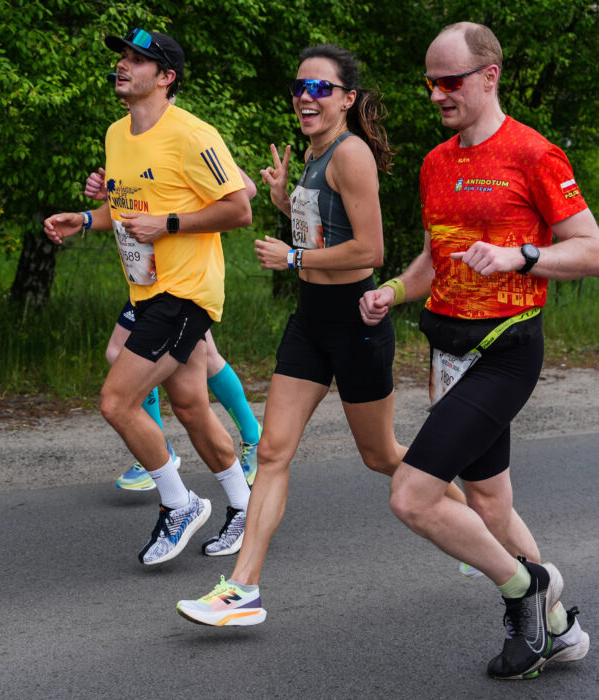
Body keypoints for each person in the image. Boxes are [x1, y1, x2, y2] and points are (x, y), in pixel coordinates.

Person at [176, 43, 474, 626]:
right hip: (310, 320)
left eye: (320, 89)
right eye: (299, 88)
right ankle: (243, 591)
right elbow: (323, 234)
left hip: (355, 320)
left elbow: (371, 250)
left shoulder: (351, 153)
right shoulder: (312, 154)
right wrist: (289, 200)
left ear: (347, 99)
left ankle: (476, 524)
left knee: (381, 454)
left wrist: (291, 257)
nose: (306, 98)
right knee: (272, 450)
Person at [353, 23, 597, 679]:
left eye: (449, 81)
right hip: (447, 351)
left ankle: (526, 589)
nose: (436, 94)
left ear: (489, 75)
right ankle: (562, 630)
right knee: (488, 505)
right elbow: (437, 256)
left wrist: (524, 254)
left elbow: (590, 249)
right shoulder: (437, 163)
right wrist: (394, 290)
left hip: (505, 350)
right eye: (429, 82)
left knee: (411, 497)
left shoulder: (532, 154)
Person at [44, 28, 254, 564]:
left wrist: (171, 223)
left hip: (185, 292)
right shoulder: (118, 134)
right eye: (123, 57)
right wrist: (86, 218)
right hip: (146, 290)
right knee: (188, 404)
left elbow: (238, 208)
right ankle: (245, 507)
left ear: (166, 78)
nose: (124, 65)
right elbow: (126, 205)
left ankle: (178, 502)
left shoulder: (194, 135)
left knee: (117, 401)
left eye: (139, 60)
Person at [84, 166, 262, 491]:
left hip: (181, 278)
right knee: (203, 360)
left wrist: (169, 222)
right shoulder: (132, 139)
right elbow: (138, 203)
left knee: (125, 353)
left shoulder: (188, 136)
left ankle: (164, 448)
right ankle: (245, 446)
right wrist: (111, 193)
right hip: (152, 278)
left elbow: (245, 191)